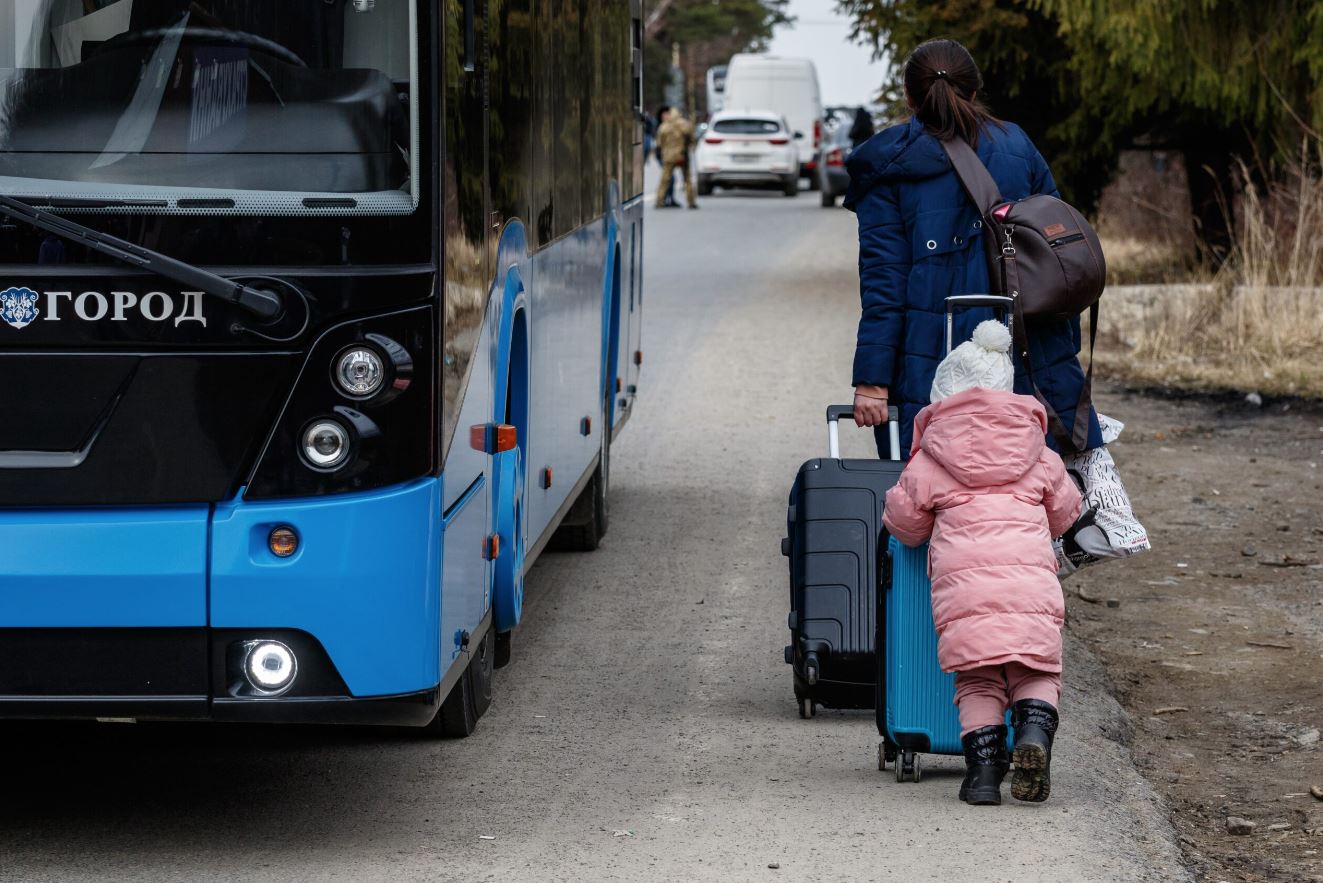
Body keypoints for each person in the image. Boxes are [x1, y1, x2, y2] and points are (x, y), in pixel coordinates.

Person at [843, 38, 1102, 460]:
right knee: (1031, 485)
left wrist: (872, 380)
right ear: (975, 91)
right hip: (1026, 349)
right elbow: (1060, 257)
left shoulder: (888, 169)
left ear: (910, 96)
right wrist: (1061, 352)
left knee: (936, 486)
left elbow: (884, 284)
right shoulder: (1018, 145)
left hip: (929, 363)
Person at [882, 320, 1083, 806]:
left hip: (966, 597)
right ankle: (1034, 735)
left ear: (944, 396)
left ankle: (983, 777)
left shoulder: (930, 460)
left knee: (979, 679)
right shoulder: (1038, 452)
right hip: (1031, 590)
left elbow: (904, 524)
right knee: (1035, 671)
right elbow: (1065, 512)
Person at [655, 106, 698, 210]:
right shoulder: (685, 124)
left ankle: (659, 201)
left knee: (665, 180)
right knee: (687, 179)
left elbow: (659, 142)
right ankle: (691, 201)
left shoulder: (664, 126)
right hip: (682, 155)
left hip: (668, 156)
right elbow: (692, 138)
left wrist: (663, 151)